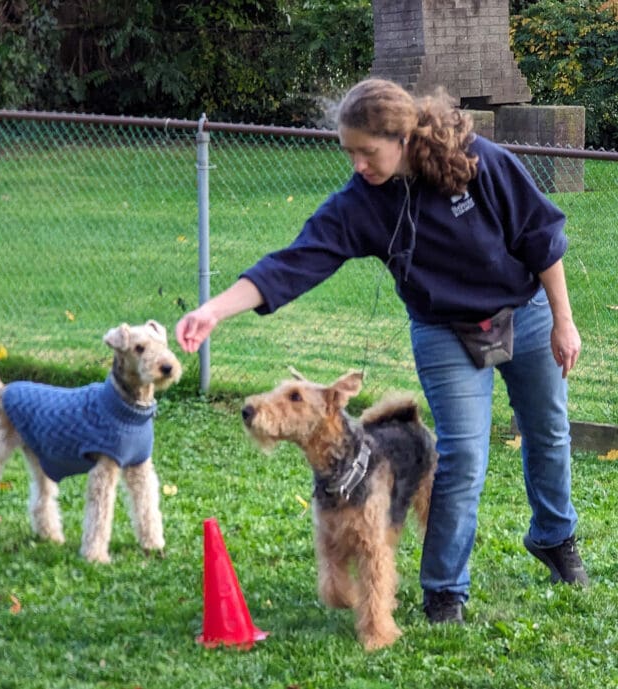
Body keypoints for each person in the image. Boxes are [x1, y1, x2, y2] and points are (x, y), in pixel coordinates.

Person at [175, 78, 588, 623]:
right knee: (461, 457)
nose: (357, 165)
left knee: (548, 430)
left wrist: (564, 319)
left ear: (403, 137)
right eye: (349, 152)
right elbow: (296, 260)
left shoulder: (478, 161)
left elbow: (540, 235)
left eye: (366, 152)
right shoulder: (362, 202)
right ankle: (445, 591)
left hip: (526, 311)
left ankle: (554, 538)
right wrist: (214, 310)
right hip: (444, 328)